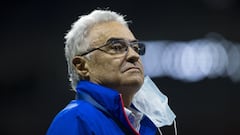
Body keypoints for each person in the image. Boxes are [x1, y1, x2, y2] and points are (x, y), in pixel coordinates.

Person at [46, 9, 176, 135]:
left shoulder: (141, 124)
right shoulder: (75, 120)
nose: (134, 55)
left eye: (135, 48)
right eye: (117, 47)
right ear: (82, 66)